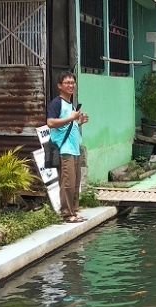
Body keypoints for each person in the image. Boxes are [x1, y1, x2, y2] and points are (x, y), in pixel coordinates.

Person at [47, 72, 90, 223]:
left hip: (75, 149)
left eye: (72, 82)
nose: (71, 85)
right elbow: (50, 123)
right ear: (60, 86)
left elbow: (68, 125)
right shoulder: (56, 103)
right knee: (68, 183)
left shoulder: (70, 105)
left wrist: (79, 122)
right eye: (67, 83)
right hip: (64, 149)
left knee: (75, 183)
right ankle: (67, 214)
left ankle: (74, 211)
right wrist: (71, 118)